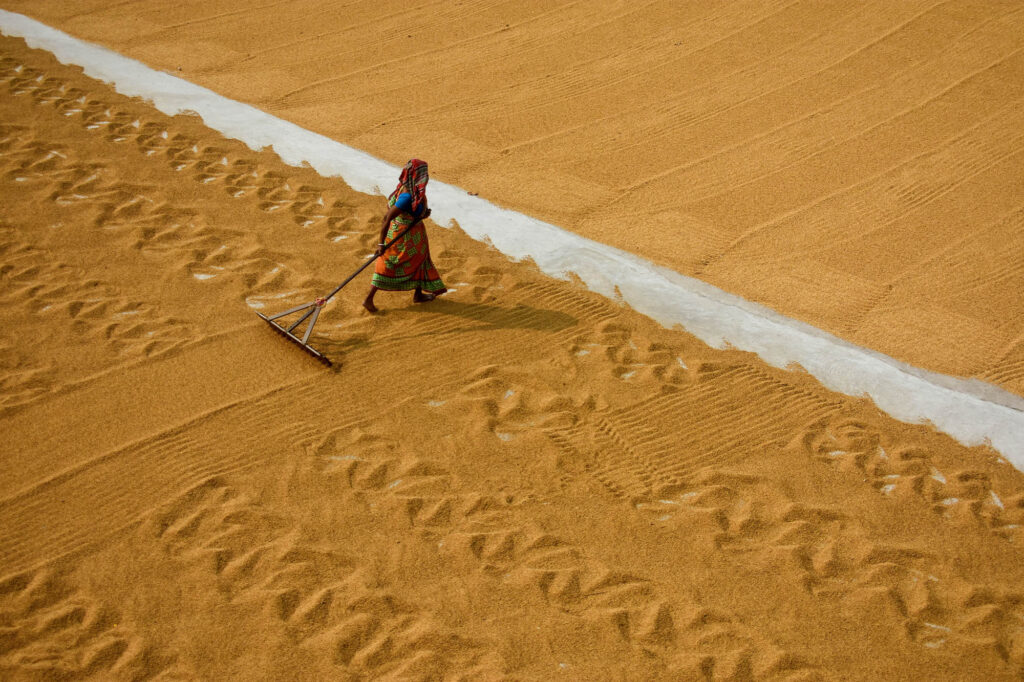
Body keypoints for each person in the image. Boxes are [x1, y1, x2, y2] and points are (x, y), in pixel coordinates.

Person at [363, 159, 447, 313]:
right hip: (405, 238)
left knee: (420, 262)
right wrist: (381, 244)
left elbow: (411, 211)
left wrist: (422, 215)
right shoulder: (407, 196)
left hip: (411, 234)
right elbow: (387, 218)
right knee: (390, 264)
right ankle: (369, 298)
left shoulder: (406, 188)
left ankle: (418, 294)